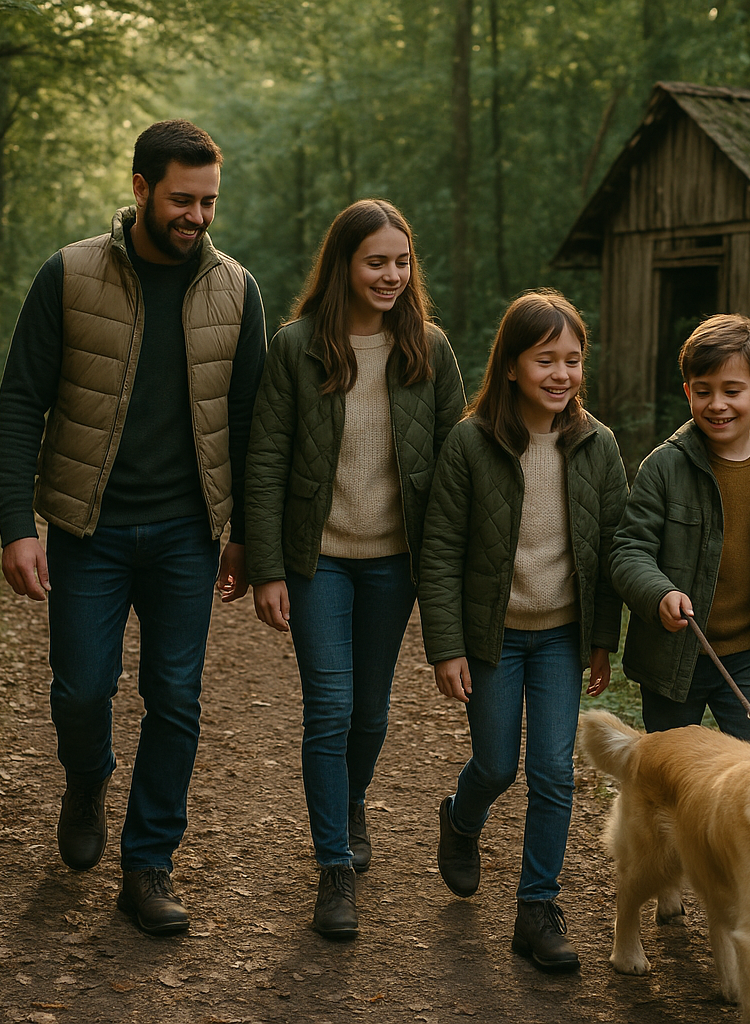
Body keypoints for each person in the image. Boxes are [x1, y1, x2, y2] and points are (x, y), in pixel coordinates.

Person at [0, 120, 267, 935]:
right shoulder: (68, 275)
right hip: (88, 528)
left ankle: (148, 864)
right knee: (82, 691)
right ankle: (87, 778)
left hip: (188, 532)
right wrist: (17, 524)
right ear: (141, 189)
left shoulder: (235, 289)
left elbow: (250, 421)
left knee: (175, 699)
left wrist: (246, 533)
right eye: (183, 199)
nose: (198, 217)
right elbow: (18, 404)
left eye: (209, 201)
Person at [244, 198, 465, 940]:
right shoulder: (297, 346)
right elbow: (267, 458)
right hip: (318, 563)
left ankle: (349, 800)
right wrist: (268, 565)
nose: (392, 275)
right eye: (376, 261)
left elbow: (461, 469)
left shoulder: (429, 351)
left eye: (402, 262)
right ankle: (334, 867)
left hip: (393, 567)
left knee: (370, 713)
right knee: (330, 708)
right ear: (343, 265)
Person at [418, 289, 628, 972]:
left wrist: (602, 640)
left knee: (553, 773)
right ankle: (461, 816)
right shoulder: (470, 442)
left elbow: (613, 553)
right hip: (495, 638)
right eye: (545, 360)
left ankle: (537, 909)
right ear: (511, 366)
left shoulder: (598, 446)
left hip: (563, 637)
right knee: (498, 763)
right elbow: (442, 549)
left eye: (572, 360)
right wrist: (446, 646)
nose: (560, 374)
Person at [610, 313, 750, 742]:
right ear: (688, 392)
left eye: (732, 391)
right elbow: (628, 550)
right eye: (703, 391)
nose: (717, 404)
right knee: (672, 776)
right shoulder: (664, 466)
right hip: (673, 655)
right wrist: (659, 592)